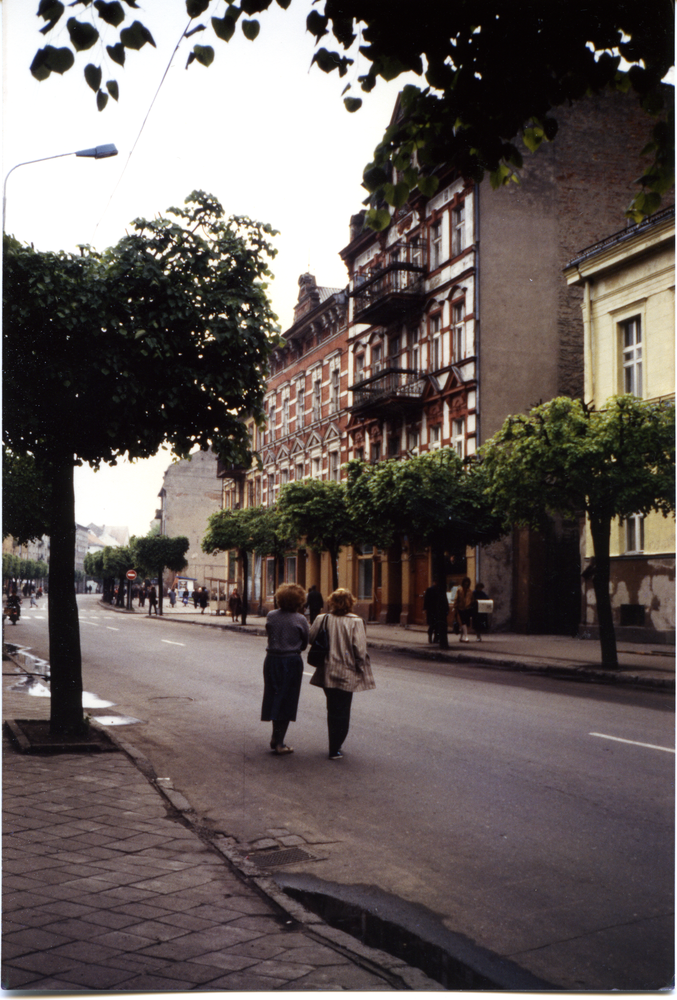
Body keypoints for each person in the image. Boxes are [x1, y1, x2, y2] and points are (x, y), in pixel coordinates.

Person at [308, 588, 375, 760]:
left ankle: (334, 745)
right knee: (343, 710)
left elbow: (311, 638)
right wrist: (362, 670)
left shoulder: (322, 618)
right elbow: (360, 650)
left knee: (332, 708)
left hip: (327, 670)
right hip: (347, 671)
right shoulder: (356, 622)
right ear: (350, 602)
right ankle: (335, 746)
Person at [261, 583, 309, 755]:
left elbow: (270, 632)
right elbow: (305, 642)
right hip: (291, 661)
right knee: (287, 700)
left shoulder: (271, 615)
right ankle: (279, 742)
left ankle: (276, 737)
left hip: (272, 660)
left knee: (275, 698)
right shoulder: (300, 619)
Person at [423, 580, 448, 644]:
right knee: (432, 625)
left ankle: (436, 638)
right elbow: (426, 600)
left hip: (438, 610)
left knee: (437, 625)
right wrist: (425, 608)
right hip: (432, 610)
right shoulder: (430, 590)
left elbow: (445, 599)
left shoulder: (440, 590)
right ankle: (431, 637)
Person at [453, 577, 474, 643]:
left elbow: (472, 599)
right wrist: (455, 607)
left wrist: (470, 605)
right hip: (460, 608)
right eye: (465, 582)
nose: (466, 584)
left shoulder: (470, 591)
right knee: (463, 622)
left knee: (465, 623)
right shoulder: (459, 590)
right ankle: (466, 636)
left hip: (467, 608)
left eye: (467, 582)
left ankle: (461, 637)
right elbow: (456, 598)